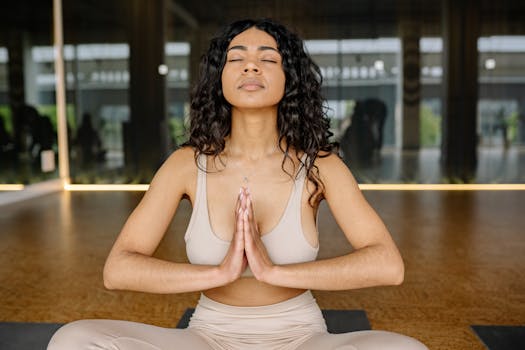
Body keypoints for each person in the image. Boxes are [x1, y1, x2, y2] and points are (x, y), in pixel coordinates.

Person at [48, 19, 428, 350]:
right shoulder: (186, 164)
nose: (250, 67)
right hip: (209, 337)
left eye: (267, 58)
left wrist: (274, 272)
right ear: (220, 78)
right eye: (236, 59)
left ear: (288, 78)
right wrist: (219, 273)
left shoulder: (320, 166)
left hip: (300, 338)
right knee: (73, 340)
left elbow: (387, 264)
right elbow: (118, 269)